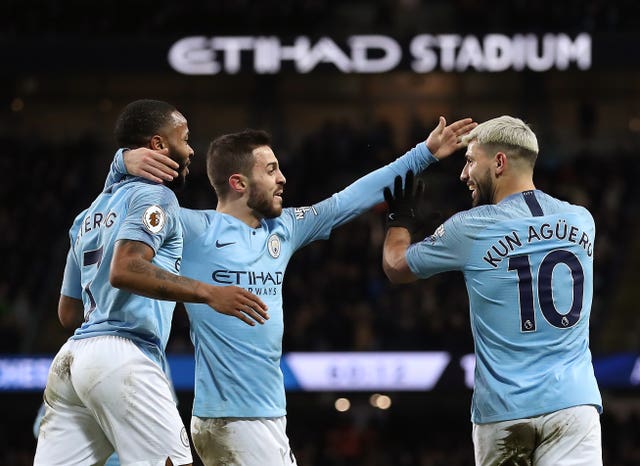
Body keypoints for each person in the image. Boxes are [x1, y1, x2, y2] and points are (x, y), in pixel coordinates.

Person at [105, 116, 477, 465]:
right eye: (270, 170)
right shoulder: (194, 228)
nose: (282, 178)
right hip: (235, 416)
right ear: (238, 183)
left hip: (263, 414)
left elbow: (349, 199)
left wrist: (423, 154)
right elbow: (119, 212)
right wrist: (122, 163)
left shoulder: (283, 228)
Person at [34, 99, 268, 466]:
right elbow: (126, 269)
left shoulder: (86, 215)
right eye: (185, 138)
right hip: (123, 354)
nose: (191, 149)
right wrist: (209, 292)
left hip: (72, 361)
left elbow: (68, 312)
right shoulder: (156, 195)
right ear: (159, 145)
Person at [381, 115, 602, 466]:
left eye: (470, 161)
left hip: (504, 410)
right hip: (573, 406)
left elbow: (396, 267)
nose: (463, 174)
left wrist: (400, 220)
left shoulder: (471, 227)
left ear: (498, 163)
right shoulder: (581, 221)